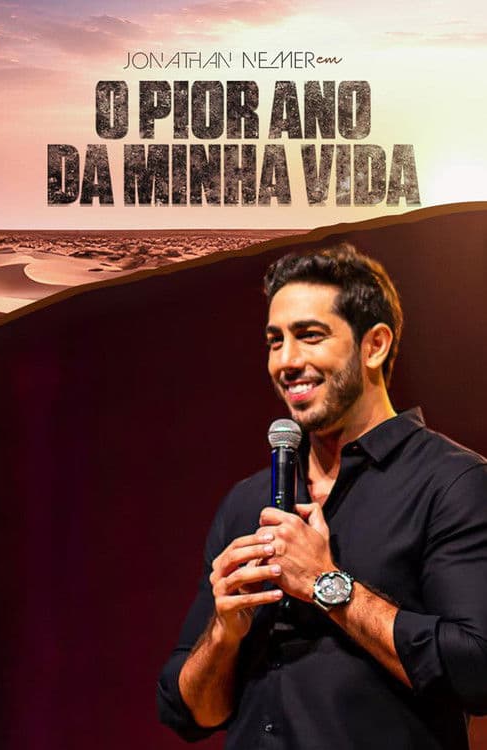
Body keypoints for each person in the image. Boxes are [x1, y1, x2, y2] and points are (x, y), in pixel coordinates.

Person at [157, 243, 487, 749]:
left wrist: (324, 583)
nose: (287, 361)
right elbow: (189, 714)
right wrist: (224, 633)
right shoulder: (247, 501)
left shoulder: (453, 482)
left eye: (309, 336)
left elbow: (477, 672)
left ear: (374, 345)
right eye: (275, 341)